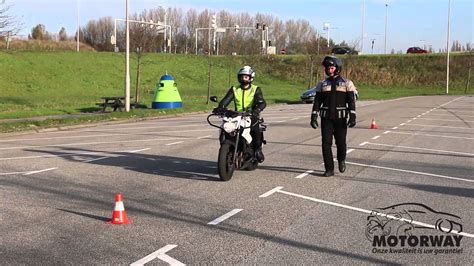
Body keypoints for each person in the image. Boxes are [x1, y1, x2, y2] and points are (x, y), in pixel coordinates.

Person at [310, 55, 357, 177]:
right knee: (326, 143)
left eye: (331, 68)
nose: (328, 70)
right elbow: (317, 101)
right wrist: (314, 116)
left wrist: (352, 116)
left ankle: (341, 159)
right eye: (327, 68)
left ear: (337, 68)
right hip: (326, 118)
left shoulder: (347, 83)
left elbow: (351, 101)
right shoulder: (322, 84)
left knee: (341, 143)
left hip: (341, 118)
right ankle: (329, 168)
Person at [213, 65, 266, 162]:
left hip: (250, 114)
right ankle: (226, 148)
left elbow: (261, 101)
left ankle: (257, 150)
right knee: (224, 128)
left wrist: (257, 110)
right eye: (241, 77)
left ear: (251, 78)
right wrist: (220, 108)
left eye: (246, 77)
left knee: (255, 127)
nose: (243, 79)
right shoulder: (234, 89)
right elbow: (226, 100)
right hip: (236, 114)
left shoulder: (255, 89)